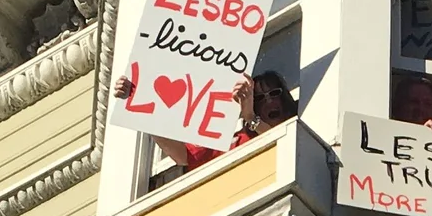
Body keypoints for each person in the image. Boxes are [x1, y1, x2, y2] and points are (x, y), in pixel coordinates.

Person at [113, 66, 297, 180]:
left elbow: (282, 143)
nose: (269, 101)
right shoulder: (235, 141)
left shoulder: (300, 122)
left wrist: (250, 116)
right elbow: (184, 156)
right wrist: (137, 100)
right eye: (259, 98)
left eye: (274, 93)